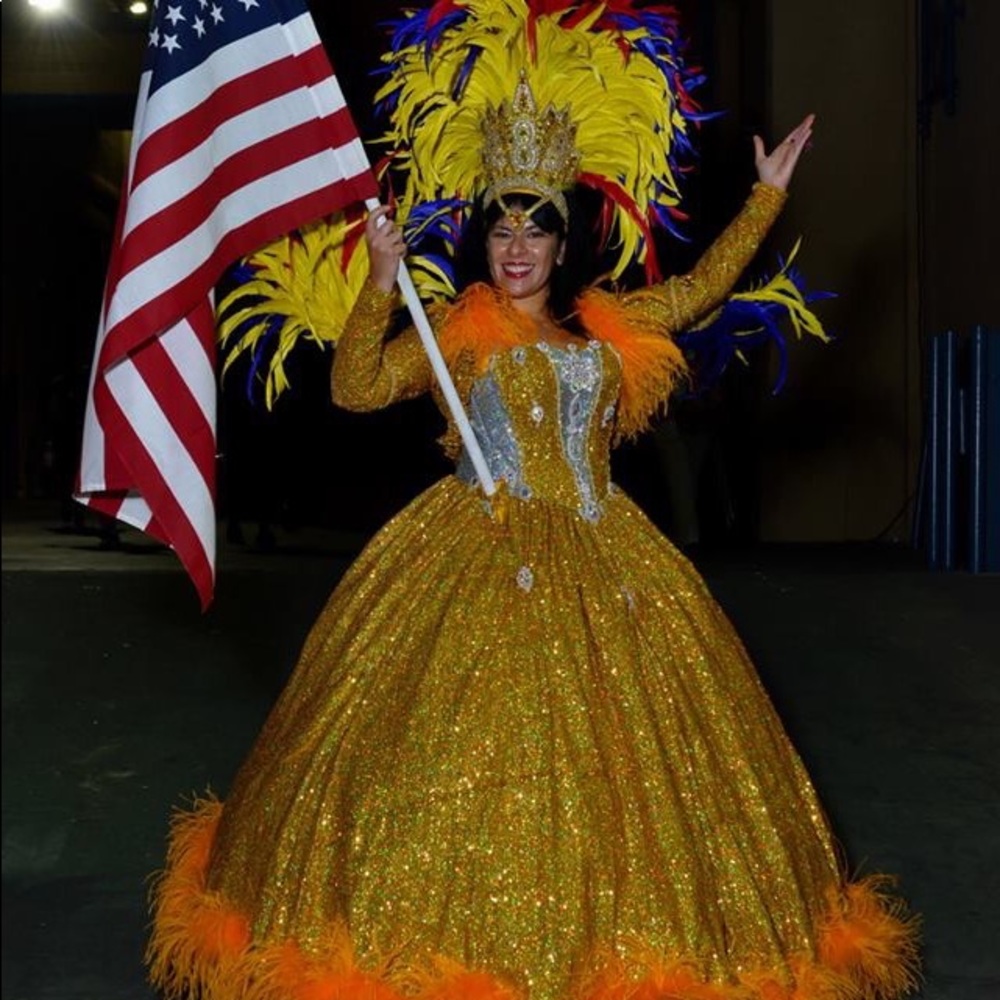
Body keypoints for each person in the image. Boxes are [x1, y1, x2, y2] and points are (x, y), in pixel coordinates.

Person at [147, 8, 918, 1000]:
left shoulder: (606, 327)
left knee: (641, 786)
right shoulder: (458, 333)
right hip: (470, 553)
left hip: (611, 564)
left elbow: (697, 292)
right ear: (486, 239)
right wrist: (382, 283)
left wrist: (764, 199)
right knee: (438, 763)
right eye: (502, 227)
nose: (516, 246)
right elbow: (354, 389)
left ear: (564, 242)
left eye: (536, 228)